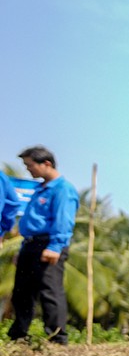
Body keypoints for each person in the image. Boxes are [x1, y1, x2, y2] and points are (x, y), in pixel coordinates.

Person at [9, 147, 79, 345]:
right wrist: (23, 248)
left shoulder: (63, 189)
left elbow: (63, 221)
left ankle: (56, 337)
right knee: (22, 292)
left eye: (30, 165)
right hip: (30, 245)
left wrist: (55, 246)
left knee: (50, 291)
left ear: (46, 164)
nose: (28, 170)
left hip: (48, 243)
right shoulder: (40, 188)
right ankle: (19, 335)